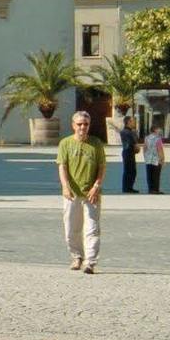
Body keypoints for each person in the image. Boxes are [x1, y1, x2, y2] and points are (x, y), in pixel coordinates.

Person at [57, 110, 106, 274]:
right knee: (71, 228)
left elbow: (101, 167)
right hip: (72, 193)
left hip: (91, 193)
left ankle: (90, 262)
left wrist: (96, 186)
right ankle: (77, 256)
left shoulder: (96, 144)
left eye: (85, 124)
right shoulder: (65, 144)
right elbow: (62, 166)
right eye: (79, 124)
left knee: (92, 228)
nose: (82, 127)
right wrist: (65, 186)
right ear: (73, 125)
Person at [143, 125, 166, 196]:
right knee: (156, 175)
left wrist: (145, 156)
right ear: (155, 130)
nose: (160, 131)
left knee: (149, 175)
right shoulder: (158, 139)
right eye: (159, 129)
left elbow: (145, 148)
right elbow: (159, 149)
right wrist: (162, 159)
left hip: (148, 159)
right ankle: (156, 189)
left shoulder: (147, 138)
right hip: (156, 160)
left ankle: (150, 189)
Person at [118, 117, 139, 194]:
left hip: (127, 152)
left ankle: (127, 187)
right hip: (129, 152)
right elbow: (134, 143)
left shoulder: (124, 131)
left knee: (128, 171)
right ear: (128, 122)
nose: (134, 123)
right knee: (131, 171)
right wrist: (136, 148)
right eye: (132, 121)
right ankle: (128, 188)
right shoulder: (129, 132)